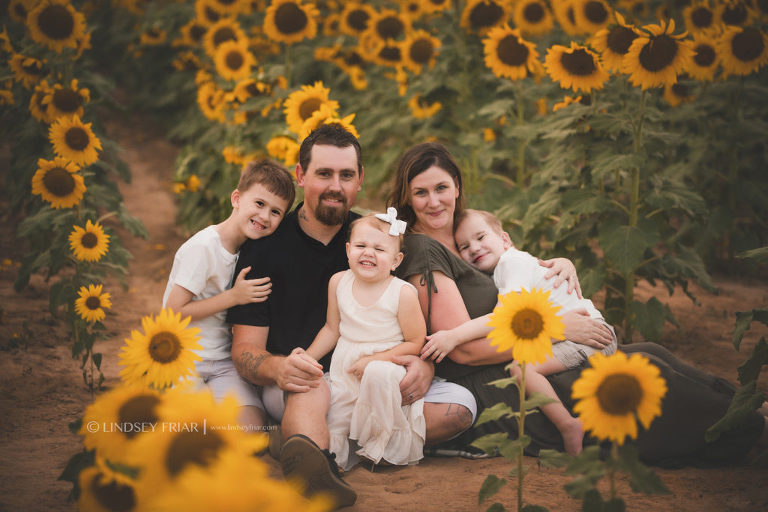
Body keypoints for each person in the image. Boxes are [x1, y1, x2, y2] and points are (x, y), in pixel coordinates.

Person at [388, 141, 768, 466]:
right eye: (421, 193)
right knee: (635, 373)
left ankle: (748, 409)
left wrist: (561, 265)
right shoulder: (425, 251)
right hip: (496, 381)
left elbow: (514, 270)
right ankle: (745, 434)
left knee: (650, 350)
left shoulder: (462, 236)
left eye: (442, 187)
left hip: (523, 355)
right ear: (407, 198)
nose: (434, 201)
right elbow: (467, 352)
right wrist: (553, 329)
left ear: (457, 186)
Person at [225, 125, 478, 508]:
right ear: (301, 176)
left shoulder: (377, 237)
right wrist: (279, 369)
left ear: (360, 179)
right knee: (311, 387)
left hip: (377, 376)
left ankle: (308, 444)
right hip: (304, 379)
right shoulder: (266, 248)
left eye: (346, 175)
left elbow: (412, 321)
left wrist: (420, 364)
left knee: (460, 408)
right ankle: (318, 469)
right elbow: (245, 349)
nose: (335, 186)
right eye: (324, 174)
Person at [421, 208, 618, 455]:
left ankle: (568, 425)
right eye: (464, 246)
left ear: (505, 239)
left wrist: (453, 336)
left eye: (481, 237)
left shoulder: (511, 263)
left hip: (589, 334)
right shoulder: (506, 269)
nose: (474, 248)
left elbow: (505, 317)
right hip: (577, 334)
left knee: (521, 368)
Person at [162, 159, 295, 430]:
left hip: (223, 362)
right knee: (188, 429)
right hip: (185, 358)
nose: (265, 216)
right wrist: (233, 297)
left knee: (252, 428)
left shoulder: (251, 251)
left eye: (275, 212)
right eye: (259, 204)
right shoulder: (203, 247)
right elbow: (172, 312)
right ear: (236, 198)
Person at [306, 211, 427, 470]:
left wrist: (373, 360)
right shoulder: (338, 282)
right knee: (336, 415)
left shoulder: (402, 293)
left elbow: (415, 342)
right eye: (361, 246)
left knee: (378, 374)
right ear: (348, 250)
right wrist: (307, 358)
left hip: (386, 367)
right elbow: (331, 329)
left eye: (379, 249)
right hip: (346, 368)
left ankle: (382, 451)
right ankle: (331, 465)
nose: (368, 253)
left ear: (396, 260)